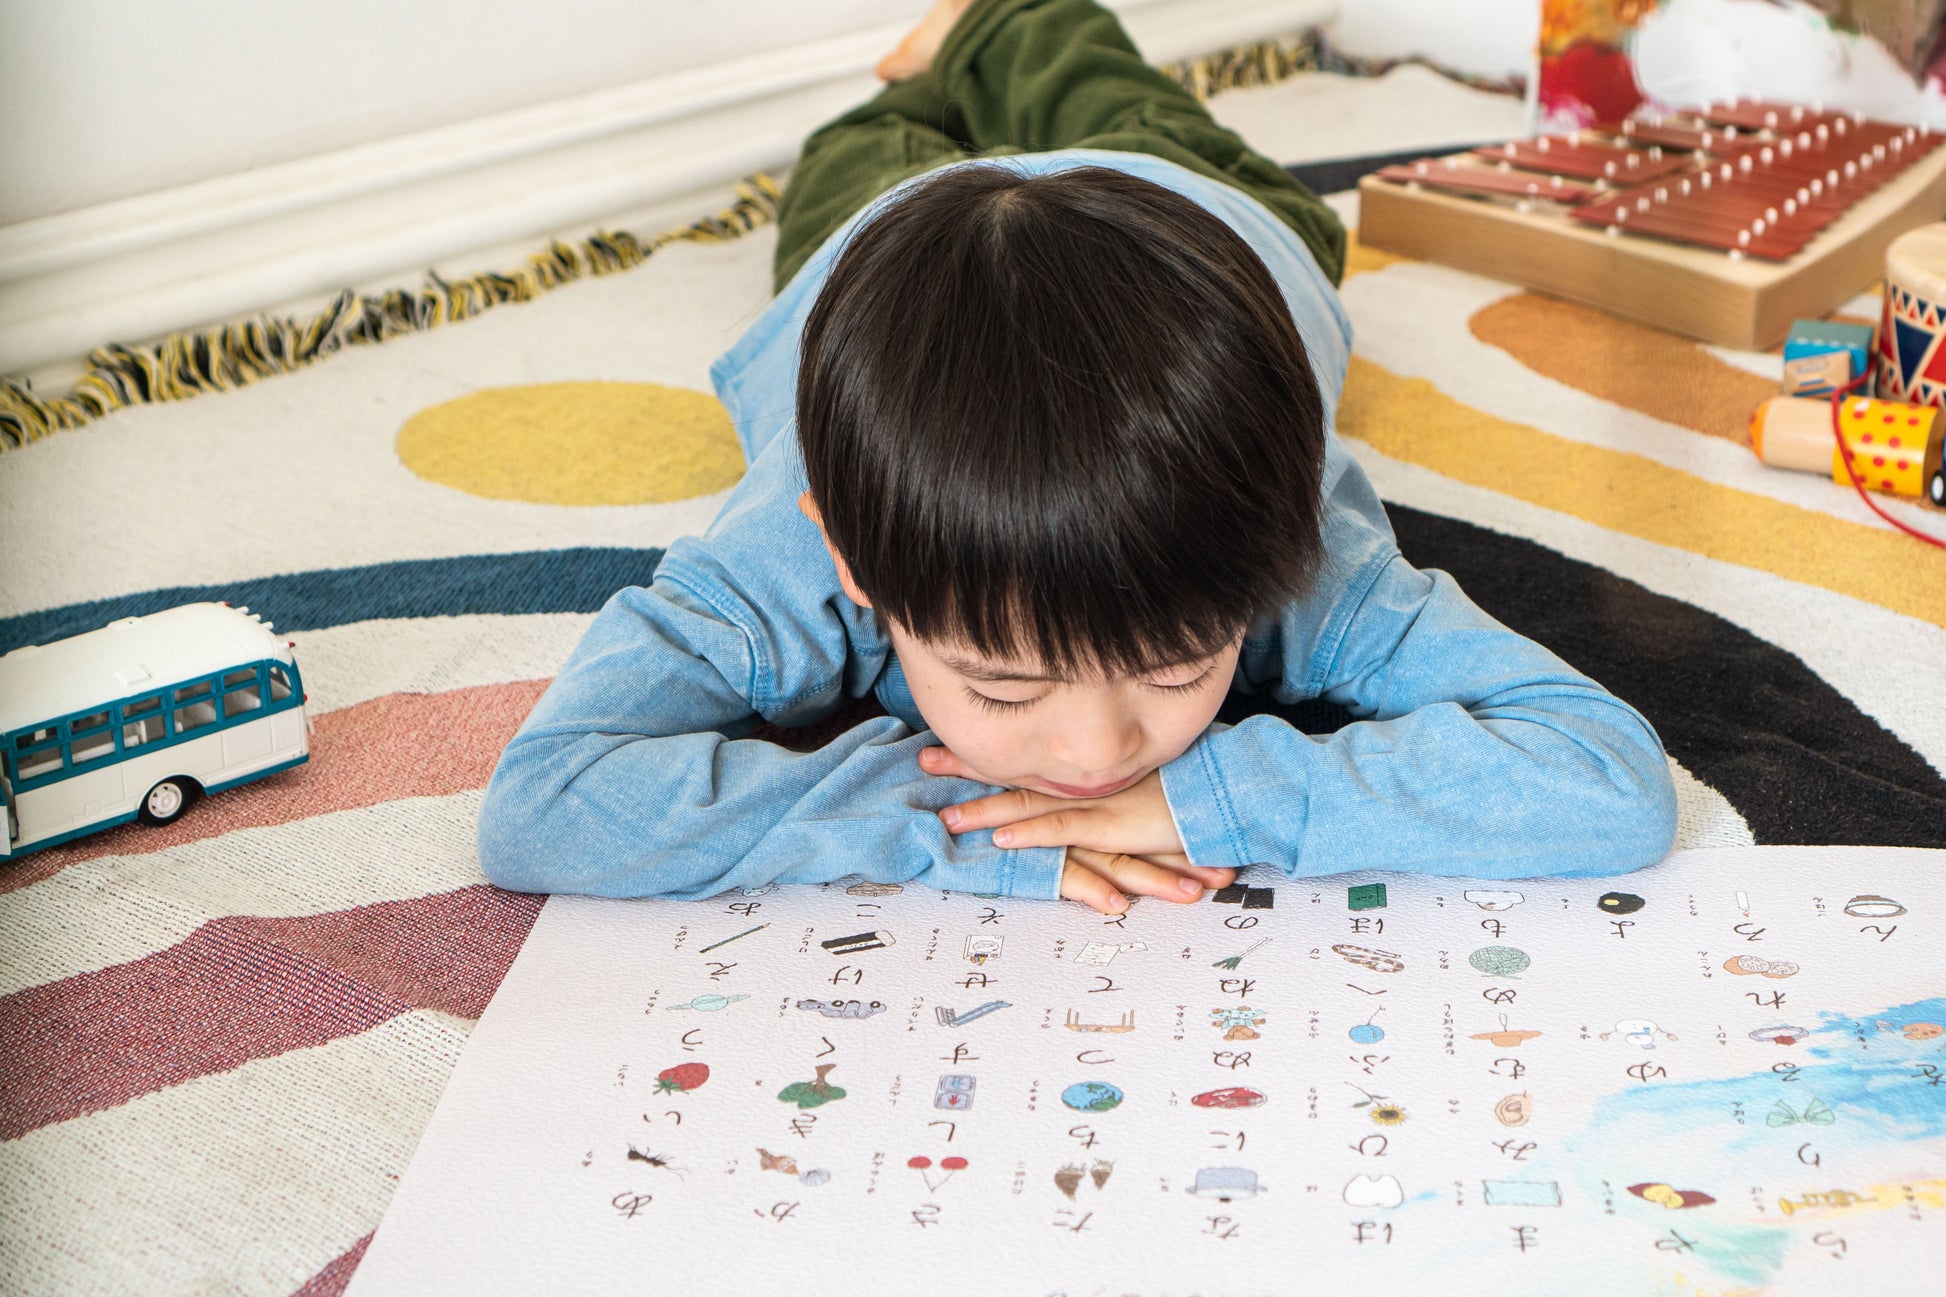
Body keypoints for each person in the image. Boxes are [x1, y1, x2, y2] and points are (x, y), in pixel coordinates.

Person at [476, 0, 1677, 914]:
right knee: (859, 151)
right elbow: (542, 806)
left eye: (1174, 664)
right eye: (1002, 688)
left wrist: (1216, 799)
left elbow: (1605, 773)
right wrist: (949, 819)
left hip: (1188, 208)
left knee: (1101, 86)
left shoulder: (1286, 544)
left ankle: (1002, 22)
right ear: (850, 562)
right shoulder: (779, 562)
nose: (1099, 755)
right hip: (870, 243)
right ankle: (909, 98)